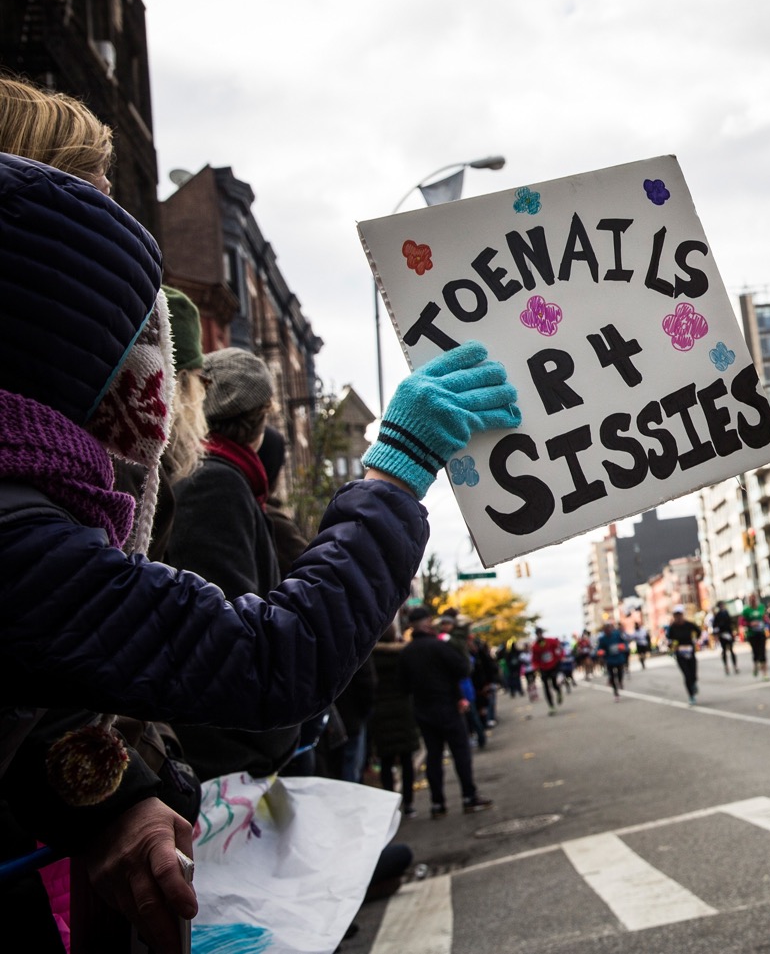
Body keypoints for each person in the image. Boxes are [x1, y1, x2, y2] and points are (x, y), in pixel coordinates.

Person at [0, 150, 521, 948]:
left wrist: (110, 799)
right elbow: (267, 657)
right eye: (146, 341)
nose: (170, 386)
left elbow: (49, 690)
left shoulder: (46, 505)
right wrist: (396, 469)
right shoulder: (25, 525)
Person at [399, 607, 493, 818]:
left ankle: (437, 803)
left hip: (423, 710)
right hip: (448, 706)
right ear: (427, 623)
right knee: (461, 753)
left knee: (434, 756)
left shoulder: (407, 652)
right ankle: (469, 797)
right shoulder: (439, 646)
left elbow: (403, 686)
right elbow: (463, 669)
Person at [370, 623, 421, 818]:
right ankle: (409, 803)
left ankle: (391, 804)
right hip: (403, 710)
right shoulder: (402, 655)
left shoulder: (370, 657)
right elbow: (411, 682)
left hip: (380, 713)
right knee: (407, 759)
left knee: (386, 759)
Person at [665, 606, 702, 704]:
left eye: (679, 614)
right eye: (676, 615)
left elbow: (698, 631)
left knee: (693, 674)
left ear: (682, 615)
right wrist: (672, 646)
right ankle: (691, 696)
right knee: (686, 675)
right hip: (680, 654)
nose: (678, 617)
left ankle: (694, 683)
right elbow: (669, 639)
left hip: (690, 651)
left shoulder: (689, 624)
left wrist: (695, 640)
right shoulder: (672, 627)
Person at [532, 629, 566, 713]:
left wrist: (561, 657)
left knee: (554, 684)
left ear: (542, 633)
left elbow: (559, 649)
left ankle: (559, 692)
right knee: (546, 687)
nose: (539, 635)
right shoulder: (535, 647)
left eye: (540, 633)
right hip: (543, 669)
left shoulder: (551, 641)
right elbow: (534, 659)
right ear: (536, 635)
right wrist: (536, 667)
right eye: (537, 634)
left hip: (553, 666)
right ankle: (551, 706)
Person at [596, 621, 632, 700]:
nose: (607, 630)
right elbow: (599, 648)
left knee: (620, 673)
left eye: (608, 628)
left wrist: (623, 647)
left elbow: (624, 642)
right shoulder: (602, 639)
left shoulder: (617, 635)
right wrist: (600, 652)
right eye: (605, 629)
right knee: (612, 676)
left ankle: (620, 682)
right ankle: (616, 693)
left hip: (618, 657)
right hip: (609, 660)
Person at [743, 600, 770, 680]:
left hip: (761, 632)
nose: (753, 601)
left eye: (754, 599)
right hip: (752, 634)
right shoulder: (746, 610)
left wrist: (768, 621)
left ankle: (765, 674)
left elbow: (764, 617)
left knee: (762, 652)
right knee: (755, 651)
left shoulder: (761, 607)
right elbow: (742, 621)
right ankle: (755, 666)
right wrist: (750, 624)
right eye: (751, 599)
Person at [712, 600, 741, 675]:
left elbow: (731, 623)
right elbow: (715, 626)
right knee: (724, 650)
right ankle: (726, 666)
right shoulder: (717, 615)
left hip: (728, 633)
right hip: (722, 635)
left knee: (731, 650)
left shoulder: (726, 613)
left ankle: (735, 666)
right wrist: (716, 635)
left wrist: (733, 631)